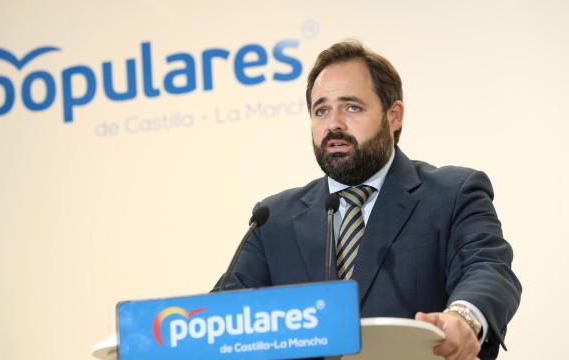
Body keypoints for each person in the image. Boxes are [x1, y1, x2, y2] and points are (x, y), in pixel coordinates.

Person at [214, 40, 521, 360]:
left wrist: (464, 319)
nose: (333, 124)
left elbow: (488, 269)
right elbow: (224, 316)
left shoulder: (452, 193)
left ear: (394, 116)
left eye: (351, 107)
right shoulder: (273, 218)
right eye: (321, 110)